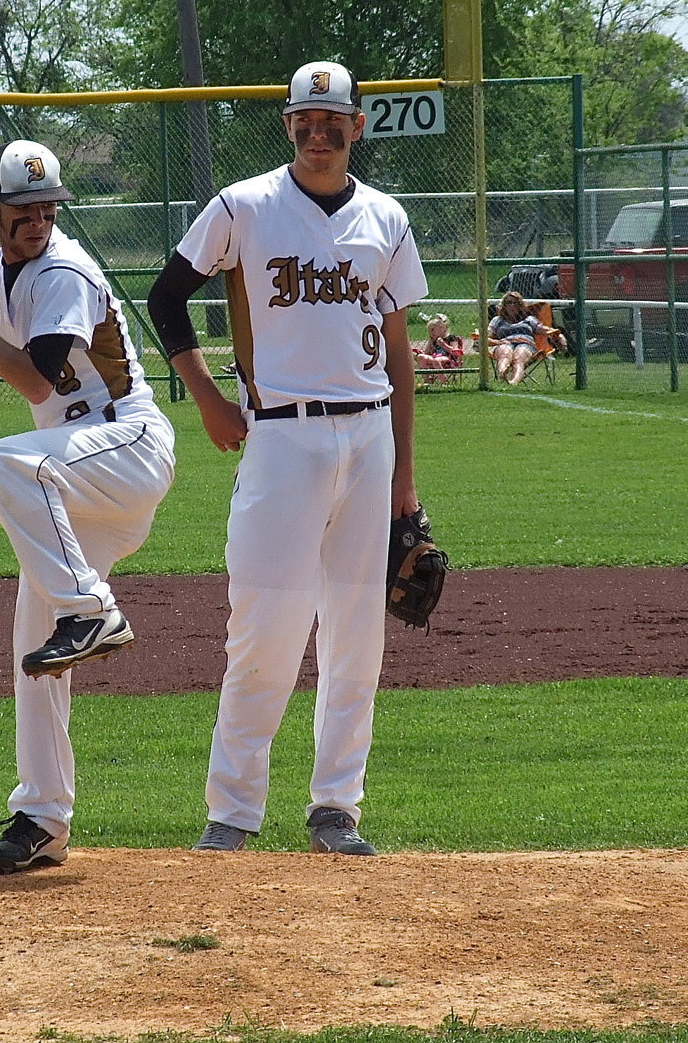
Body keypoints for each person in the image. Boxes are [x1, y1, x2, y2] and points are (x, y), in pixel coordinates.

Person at [147, 60, 429, 856]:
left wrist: (406, 473)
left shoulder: (387, 217)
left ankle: (337, 807)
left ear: (357, 126)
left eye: (331, 120)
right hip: (281, 436)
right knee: (264, 629)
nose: (317, 133)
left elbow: (399, 350)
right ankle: (232, 811)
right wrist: (205, 395)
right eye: (303, 120)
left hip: (369, 438)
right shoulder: (246, 205)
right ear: (287, 125)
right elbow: (165, 295)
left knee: (356, 635)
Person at [0, 140, 176, 874]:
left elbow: (35, 384)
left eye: (48, 205)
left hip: (123, 444)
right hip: (73, 478)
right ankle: (42, 815)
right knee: (37, 644)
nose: (37, 218)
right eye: (23, 207)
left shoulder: (61, 268)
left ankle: (92, 607)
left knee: (1, 461)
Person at [487, 290, 560, 385]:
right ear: (504, 305)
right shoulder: (497, 320)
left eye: (515, 303)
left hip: (525, 344)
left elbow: (542, 329)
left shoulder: (529, 319)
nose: (512, 306)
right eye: (509, 303)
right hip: (505, 343)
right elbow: (486, 337)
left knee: (519, 358)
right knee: (505, 353)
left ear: (520, 305)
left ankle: (513, 382)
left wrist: (556, 334)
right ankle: (503, 374)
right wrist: (497, 342)